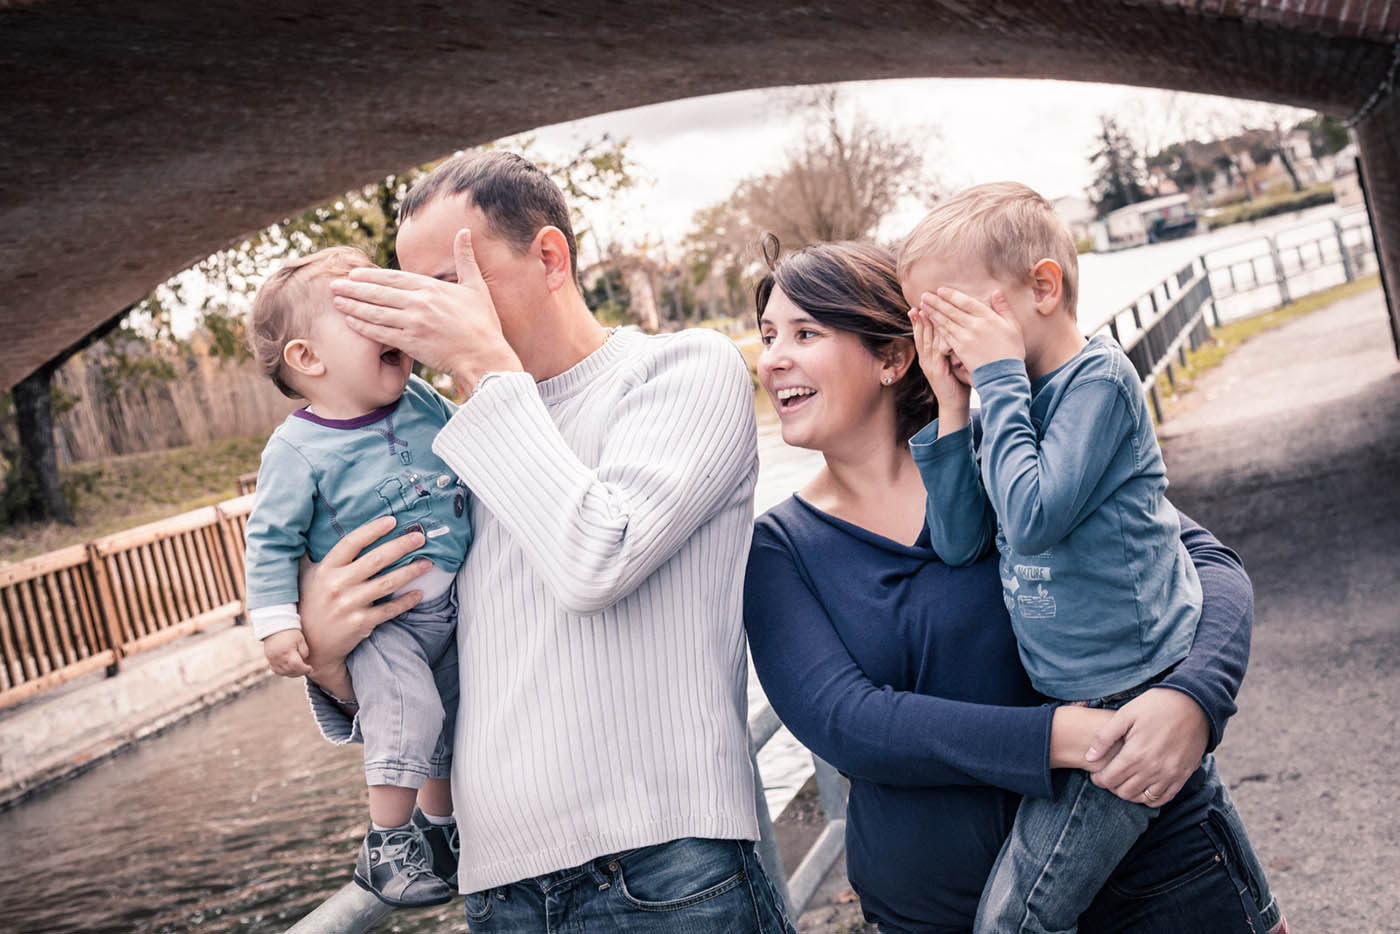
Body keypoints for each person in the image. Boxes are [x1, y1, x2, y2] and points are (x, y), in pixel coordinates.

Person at [296, 151, 794, 932]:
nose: (429, 316)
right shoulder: (447, 443)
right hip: (500, 891)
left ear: (550, 257)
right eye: (414, 290)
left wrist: (485, 364)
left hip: (664, 869)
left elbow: (596, 560)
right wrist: (329, 659)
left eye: (452, 283)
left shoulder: (680, 371)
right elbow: (433, 667)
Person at [744, 238, 1287, 933]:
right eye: (767, 337)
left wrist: (1192, 698)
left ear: (893, 355)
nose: (773, 359)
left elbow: (1205, 565)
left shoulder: (1010, 449)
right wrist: (1065, 735)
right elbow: (852, 723)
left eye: (804, 333)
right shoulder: (780, 548)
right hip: (946, 911)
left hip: (1159, 871)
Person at [901, 182, 1203, 933]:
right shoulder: (1003, 398)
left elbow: (1032, 519)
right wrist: (952, 407)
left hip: (1127, 695)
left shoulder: (1095, 382)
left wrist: (1000, 382)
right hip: (1071, 695)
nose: (949, 342)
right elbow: (961, 540)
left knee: (1014, 919)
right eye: (932, 322)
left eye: (960, 314)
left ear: (1044, 286)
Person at [243, 246, 467, 907]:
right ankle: (385, 844)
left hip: (446, 605)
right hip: (383, 622)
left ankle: (442, 831)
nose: (389, 317)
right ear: (309, 359)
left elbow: (474, 446)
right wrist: (278, 625)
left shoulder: (422, 399)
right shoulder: (298, 449)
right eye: (363, 311)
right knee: (411, 713)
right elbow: (271, 540)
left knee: (450, 721)